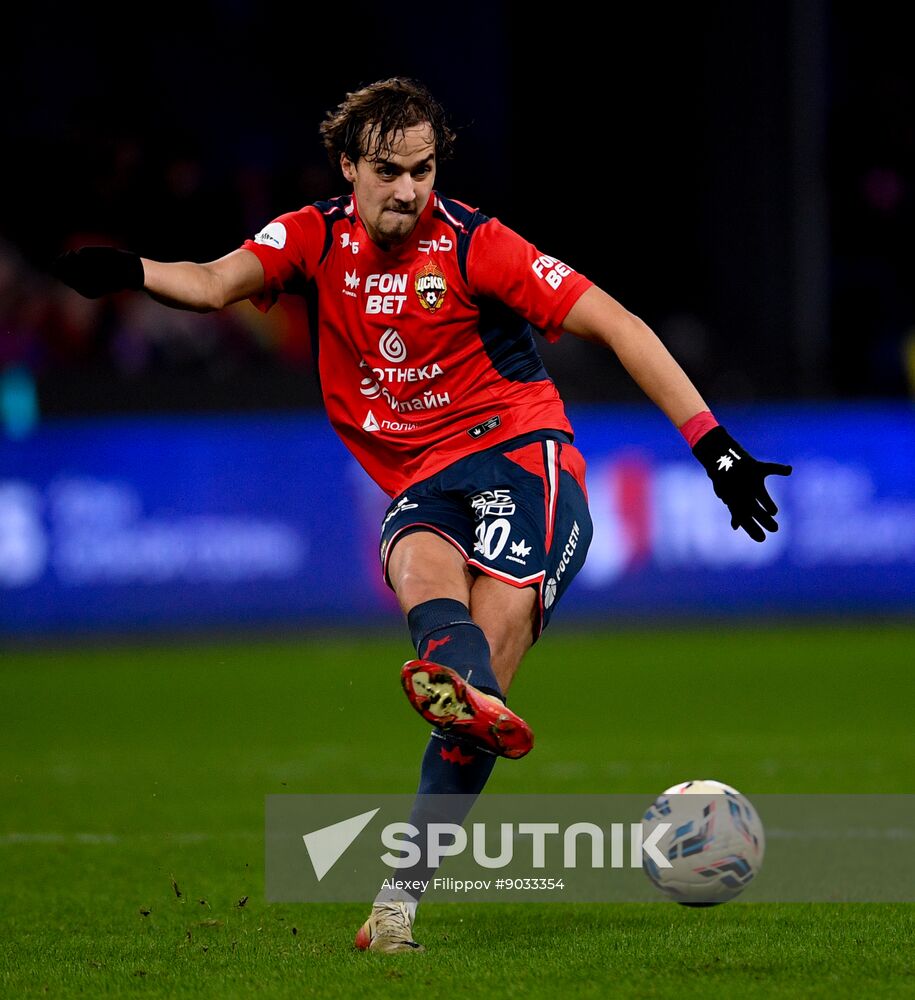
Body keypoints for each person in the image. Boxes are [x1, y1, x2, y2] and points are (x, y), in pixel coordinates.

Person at [53, 77, 792, 953]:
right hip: (424, 481)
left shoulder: (478, 245)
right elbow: (214, 283)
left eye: (423, 170)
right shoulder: (312, 236)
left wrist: (715, 449)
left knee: (481, 675)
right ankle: (456, 691)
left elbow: (620, 323)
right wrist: (132, 272)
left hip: (520, 459)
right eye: (388, 171)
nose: (407, 190)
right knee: (420, 578)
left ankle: (404, 876)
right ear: (347, 167)